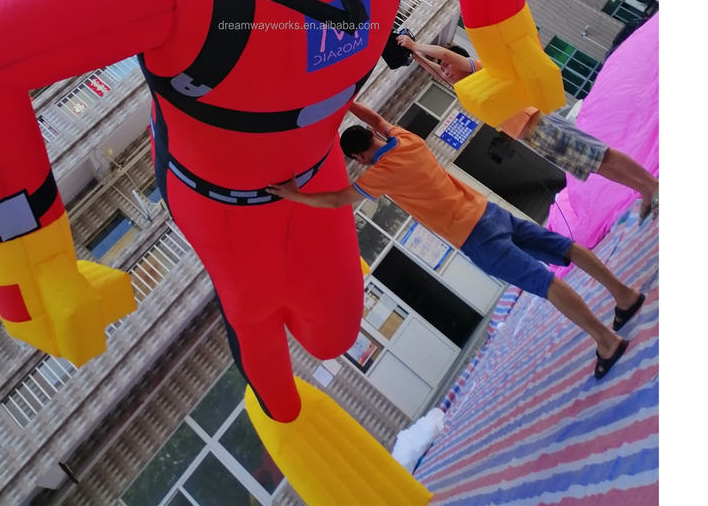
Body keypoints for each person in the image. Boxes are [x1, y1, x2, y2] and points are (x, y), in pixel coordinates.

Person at [267, 101, 646, 381]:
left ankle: (606, 341)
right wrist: (343, 102)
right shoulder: (405, 139)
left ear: (357, 155)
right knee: (564, 248)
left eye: (355, 159)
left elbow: (336, 200)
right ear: (373, 136)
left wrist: (293, 194)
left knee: (543, 282)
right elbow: (378, 119)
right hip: (488, 211)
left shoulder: (378, 175)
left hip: (473, 235)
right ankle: (624, 296)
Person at [396, 34, 658, 221]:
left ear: (459, 59)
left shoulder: (477, 69)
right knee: (592, 165)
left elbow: (444, 54)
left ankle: (653, 185)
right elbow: (436, 70)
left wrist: (415, 44)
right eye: (442, 68)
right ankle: (645, 190)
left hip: (539, 122)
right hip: (531, 136)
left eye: (447, 65)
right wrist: (416, 56)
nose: (444, 69)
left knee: (600, 154)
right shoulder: (464, 89)